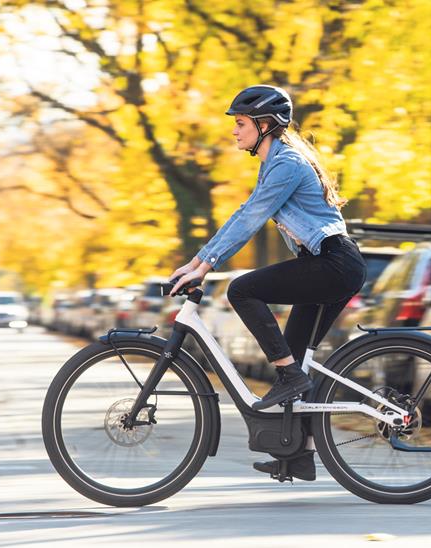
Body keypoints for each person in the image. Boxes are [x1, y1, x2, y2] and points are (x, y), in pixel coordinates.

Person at [169, 85, 367, 480]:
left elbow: (250, 218)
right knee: (293, 362)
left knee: (242, 290)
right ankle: (298, 456)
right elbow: (245, 211)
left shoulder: (287, 164)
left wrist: (205, 266)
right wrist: (195, 262)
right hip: (329, 265)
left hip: (334, 263)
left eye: (240, 124)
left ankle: (292, 382)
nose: (234, 131)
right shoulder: (274, 163)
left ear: (264, 125)